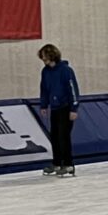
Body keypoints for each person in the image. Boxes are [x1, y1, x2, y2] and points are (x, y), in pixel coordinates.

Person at [37, 44, 80, 177]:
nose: (43, 59)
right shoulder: (45, 72)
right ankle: (57, 163)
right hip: (54, 108)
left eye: (44, 56)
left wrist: (74, 108)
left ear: (51, 55)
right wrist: (44, 105)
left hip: (66, 107)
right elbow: (44, 89)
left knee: (63, 136)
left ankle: (68, 165)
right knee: (54, 136)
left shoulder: (66, 70)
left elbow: (73, 89)